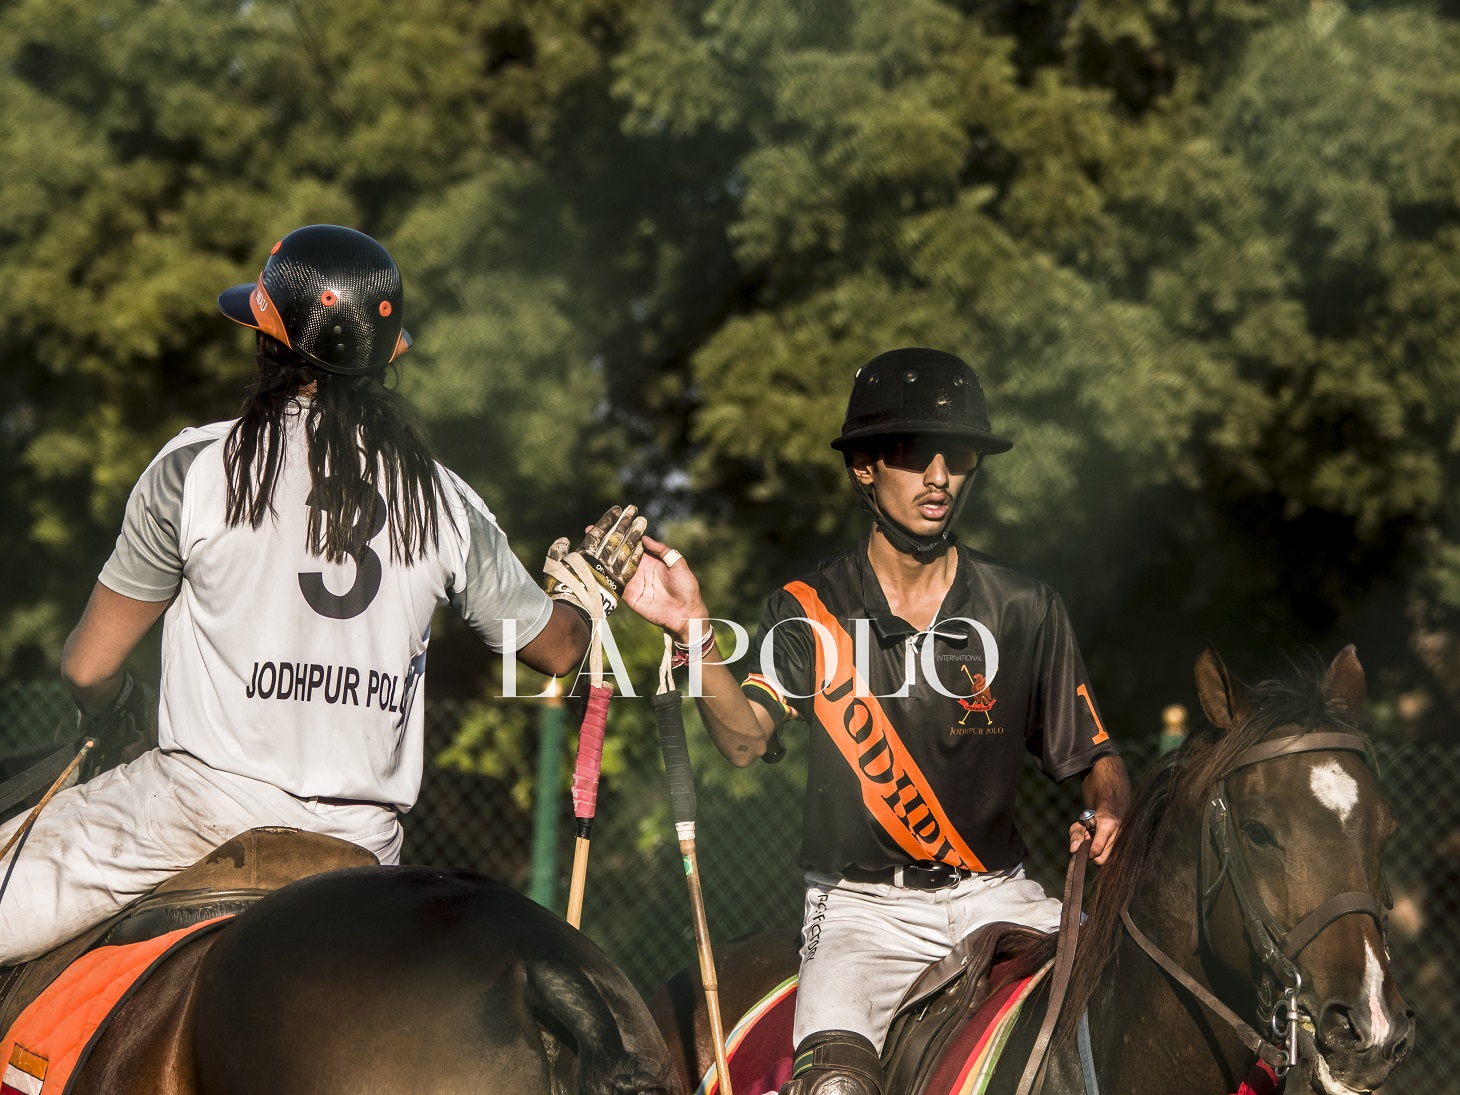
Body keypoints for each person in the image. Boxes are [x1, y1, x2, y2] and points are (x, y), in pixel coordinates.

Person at [0, 225, 640, 965]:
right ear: (385, 358)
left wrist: (110, 708)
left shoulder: (196, 466)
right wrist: (588, 588)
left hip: (196, 815)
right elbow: (559, 649)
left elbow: (88, 666)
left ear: (268, 340)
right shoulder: (446, 501)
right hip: (362, 847)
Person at [624, 348, 1130, 1095]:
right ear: (864, 465)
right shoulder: (807, 607)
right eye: (913, 454)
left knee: (1126, 1020)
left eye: (958, 457)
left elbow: (1095, 754)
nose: (938, 477)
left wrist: (1112, 800)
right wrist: (694, 631)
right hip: (863, 911)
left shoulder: (1025, 607)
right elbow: (743, 738)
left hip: (1001, 894)